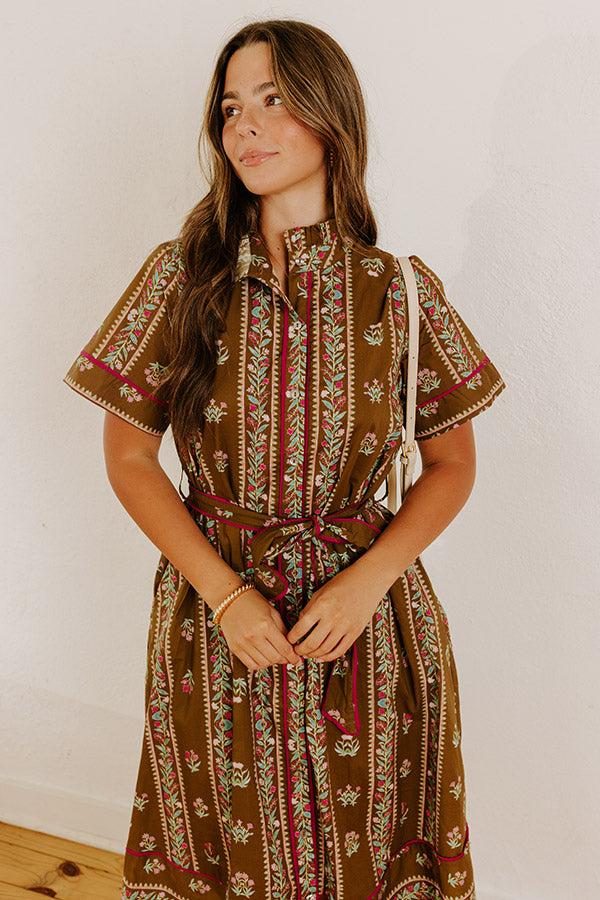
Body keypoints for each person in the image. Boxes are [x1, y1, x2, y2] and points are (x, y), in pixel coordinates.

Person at [63, 18, 507, 900]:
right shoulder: (182, 279)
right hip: (219, 619)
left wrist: (369, 581)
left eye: (273, 100)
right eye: (231, 108)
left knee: (371, 845)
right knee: (226, 844)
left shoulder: (399, 291)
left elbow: (453, 465)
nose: (246, 128)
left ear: (331, 115)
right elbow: (129, 456)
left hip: (369, 628)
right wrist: (227, 597)